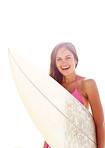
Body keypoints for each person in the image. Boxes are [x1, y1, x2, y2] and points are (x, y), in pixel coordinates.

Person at [43, 42, 105, 148]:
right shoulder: (54, 86)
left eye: (68, 57)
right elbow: (51, 124)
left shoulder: (87, 84)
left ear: (75, 60)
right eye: (59, 59)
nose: (64, 62)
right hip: (54, 143)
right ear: (55, 63)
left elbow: (99, 123)